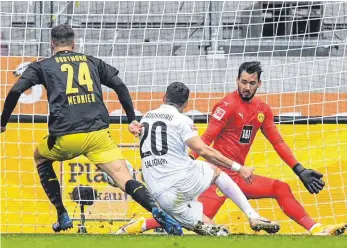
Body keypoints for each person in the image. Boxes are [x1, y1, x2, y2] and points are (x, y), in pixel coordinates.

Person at [116, 62, 346, 236]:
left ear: (259, 84)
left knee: (281, 188)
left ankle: (316, 229)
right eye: (243, 82)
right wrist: (187, 162)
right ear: (237, 81)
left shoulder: (262, 109)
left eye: (251, 83)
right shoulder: (226, 106)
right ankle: (142, 224)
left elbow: (277, 141)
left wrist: (299, 168)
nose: (246, 87)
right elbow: (207, 138)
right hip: (218, 175)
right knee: (200, 221)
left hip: (240, 175)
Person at [0, 24, 182, 235]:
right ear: (74, 43)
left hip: (67, 136)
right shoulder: (92, 61)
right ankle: (158, 212)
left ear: (51, 43)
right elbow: (120, 86)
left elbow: (16, 90)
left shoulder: (43, 66)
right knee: (124, 178)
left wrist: (3, 122)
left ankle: (62, 215)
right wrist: (132, 119)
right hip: (98, 135)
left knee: (40, 157)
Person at [118, 82, 280, 236]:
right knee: (216, 172)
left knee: (218, 232)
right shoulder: (181, 120)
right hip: (180, 182)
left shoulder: (146, 117)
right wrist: (239, 168)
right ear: (186, 104)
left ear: (164, 98)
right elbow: (203, 150)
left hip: (159, 193)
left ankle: (141, 224)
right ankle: (253, 215)